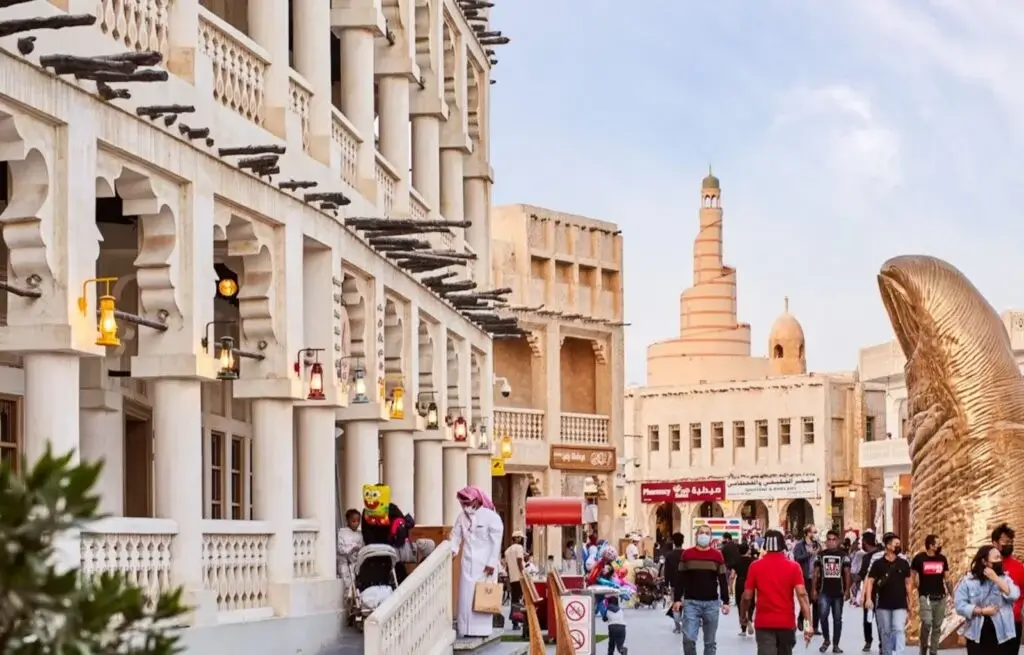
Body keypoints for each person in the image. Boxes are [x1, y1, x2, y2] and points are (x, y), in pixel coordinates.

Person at [741, 529, 815, 655]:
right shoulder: (793, 567)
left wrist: (743, 616)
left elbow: (747, 596)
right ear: (783, 546)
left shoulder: (755, 566)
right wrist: (808, 625)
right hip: (786, 623)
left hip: (764, 623)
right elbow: (802, 596)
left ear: (765, 545)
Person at [450, 485, 504, 638]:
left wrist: (491, 562)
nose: (465, 507)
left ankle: (481, 630)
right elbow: (455, 536)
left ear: (477, 501)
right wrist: (453, 550)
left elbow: (496, 542)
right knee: (465, 598)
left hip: (485, 565)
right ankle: (464, 629)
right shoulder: (461, 517)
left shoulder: (491, 517)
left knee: (481, 598)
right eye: (463, 504)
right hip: (467, 563)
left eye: (468, 503)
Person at [671, 524, 730, 655]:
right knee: (688, 639)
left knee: (710, 643)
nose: (704, 535)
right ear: (696, 535)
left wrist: (725, 601)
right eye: (701, 532)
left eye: (707, 533)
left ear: (710, 537)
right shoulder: (687, 555)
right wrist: (677, 599)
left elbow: (722, 580)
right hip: (691, 602)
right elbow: (680, 578)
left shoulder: (717, 556)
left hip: (711, 604)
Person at [953, 544, 1020, 654]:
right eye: (996, 558)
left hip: (1003, 633)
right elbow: (960, 605)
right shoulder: (968, 581)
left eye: (1000, 557)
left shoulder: (1005, 579)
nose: (999, 560)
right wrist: (981, 611)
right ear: (985, 562)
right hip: (976, 633)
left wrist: (996, 579)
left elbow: (1014, 595)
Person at [864, 533, 912, 655]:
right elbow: (870, 581)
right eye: (896, 544)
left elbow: (908, 583)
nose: (898, 547)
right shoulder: (878, 563)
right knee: (885, 631)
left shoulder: (903, 563)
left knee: (899, 628)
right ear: (888, 546)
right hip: (882, 603)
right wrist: (868, 598)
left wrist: (910, 602)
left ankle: (899, 652)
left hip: (900, 603)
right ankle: (887, 652)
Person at [811, 529, 851, 653]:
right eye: (829, 539)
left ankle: (836, 644)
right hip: (824, 591)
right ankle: (826, 639)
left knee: (837, 618)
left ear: (838, 541)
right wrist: (813, 590)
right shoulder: (820, 555)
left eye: (834, 539)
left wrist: (847, 590)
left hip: (838, 592)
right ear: (826, 541)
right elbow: (816, 573)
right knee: (823, 616)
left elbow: (847, 573)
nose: (831, 542)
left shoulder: (844, 556)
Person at [910, 534, 950, 655]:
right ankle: (923, 647)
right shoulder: (919, 558)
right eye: (937, 543)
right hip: (925, 596)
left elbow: (947, 578)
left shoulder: (942, 559)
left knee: (937, 627)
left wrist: (952, 594)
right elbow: (912, 576)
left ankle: (933, 651)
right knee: (927, 623)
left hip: (940, 597)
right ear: (931, 546)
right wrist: (913, 587)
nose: (940, 545)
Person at [991, 523, 1024, 651]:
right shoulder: (985, 566)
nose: (1008, 544)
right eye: (1005, 541)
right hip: (990, 624)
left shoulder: (1019, 567)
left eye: (1011, 541)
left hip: (1013, 623)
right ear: (995, 543)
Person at [793, 524, 822, 635]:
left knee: (816, 602)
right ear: (807, 533)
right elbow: (797, 558)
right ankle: (805, 624)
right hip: (805, 577)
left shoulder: (817, 545)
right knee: (807, 602)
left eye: (815, 532)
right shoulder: (799, 545)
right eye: (813, 532)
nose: (814, 534)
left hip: (816, 577)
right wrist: (808, 554)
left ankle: (815, 627)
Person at [662, 532, 686, 634]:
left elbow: (666, 571)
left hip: (674, 583)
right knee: (686, 605)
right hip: (687, 583)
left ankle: (677, 626)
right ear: (683, 541)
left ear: (673, 542)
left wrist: (666, 584)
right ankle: (686, 625)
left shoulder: (669, 555)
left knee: (676, 604)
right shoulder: (686, 554)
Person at [337, 508, 364, 595]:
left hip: (356, 562)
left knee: (357, 580)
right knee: (347, 582)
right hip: (344, 562)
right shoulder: (342, 532)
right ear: (348, 520)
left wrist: (358, 549)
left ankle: (357, 597)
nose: (356, 523)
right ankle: (348, 598)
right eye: (353, 521)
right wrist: (351, 548)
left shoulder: (360, 534)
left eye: (358, 521)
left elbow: (362, 546)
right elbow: (340, 548)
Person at [731, 543, 755, 636]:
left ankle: (743, 628)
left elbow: (732, 576)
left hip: (740, 583)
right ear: (747, 550)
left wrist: (730, 588)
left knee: (740, 604)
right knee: (751, 603)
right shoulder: (752, 561)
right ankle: (749, 619)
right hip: (750, 583)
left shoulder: (736, 561)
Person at [504, 530, 526, 609]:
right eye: (521, 538)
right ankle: (517, 615)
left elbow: (507, 567)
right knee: (522, 597)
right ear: (517, 538)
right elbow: (519, 561)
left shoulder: (507, 551)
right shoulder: (519, 548)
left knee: (514, 597)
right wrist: (523, 574)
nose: (522, 540)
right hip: (519, 577)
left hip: (512, 578)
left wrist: (509, 579)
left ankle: (513, 615)